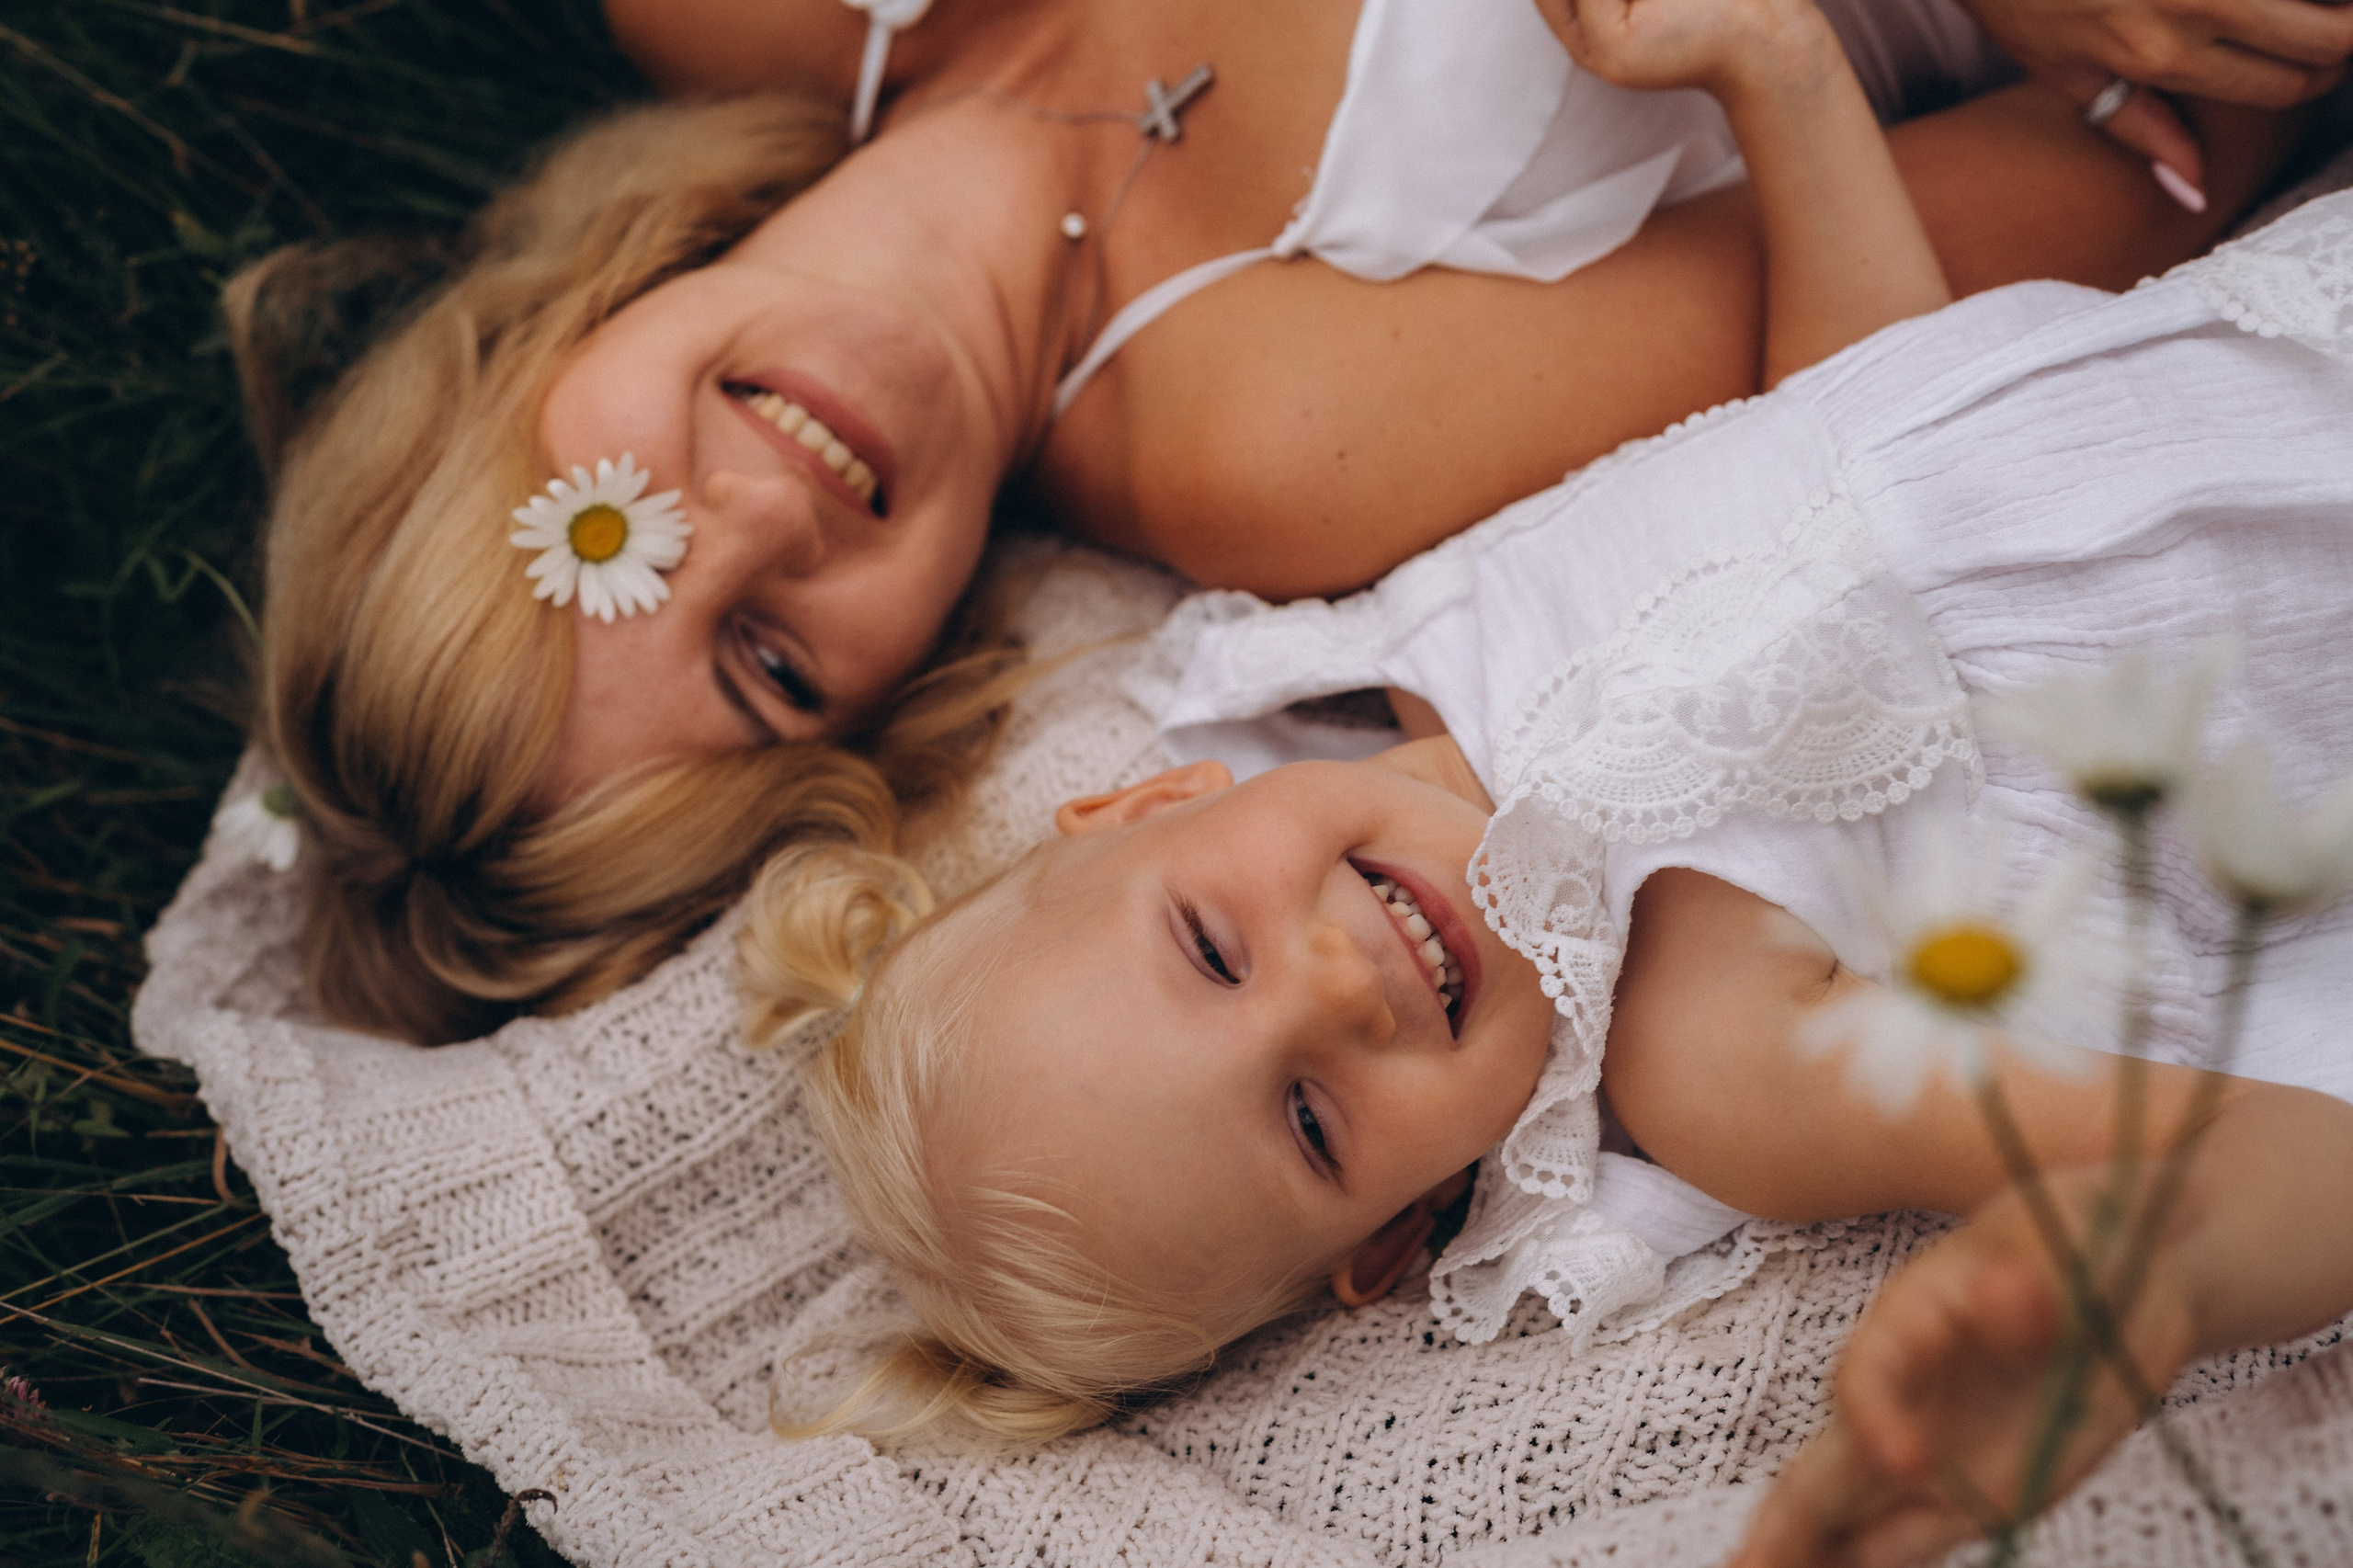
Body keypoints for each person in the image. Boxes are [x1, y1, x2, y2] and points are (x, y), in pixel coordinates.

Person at [733, 11, 2353, 1553]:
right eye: (1308, 1121)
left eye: (1211, 949)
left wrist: (1774, 68)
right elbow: (2237, 1153)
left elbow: (1863, 440)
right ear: (1390, 1235)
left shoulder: (1445, 622)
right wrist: (2158, 1271)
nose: (1333, 987)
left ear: (1147, 805)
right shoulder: (1718, 1058)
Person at [235, 0, 2329, 1040]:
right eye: (765, 667)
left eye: (590, 526)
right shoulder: (1262, 426)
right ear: (879, 711)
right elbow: (2120, 174)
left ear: (496, 381)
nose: (756, 522)